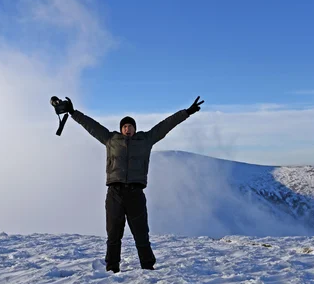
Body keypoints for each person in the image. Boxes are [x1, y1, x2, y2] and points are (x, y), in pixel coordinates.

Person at [53, 96, 204, 273]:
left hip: (135, 193)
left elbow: (165, 125)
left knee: (141, 234)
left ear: (135, 128)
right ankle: (111, 268)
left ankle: (148, 266)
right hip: (115, 192)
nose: (127, 129)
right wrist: (73, 112)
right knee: (113, 234)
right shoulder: (110, 139)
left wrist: (186, 112)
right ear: (121, 129)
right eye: (124, 126)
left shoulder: (146, 140)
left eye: (130, 126)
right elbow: (92, 126)